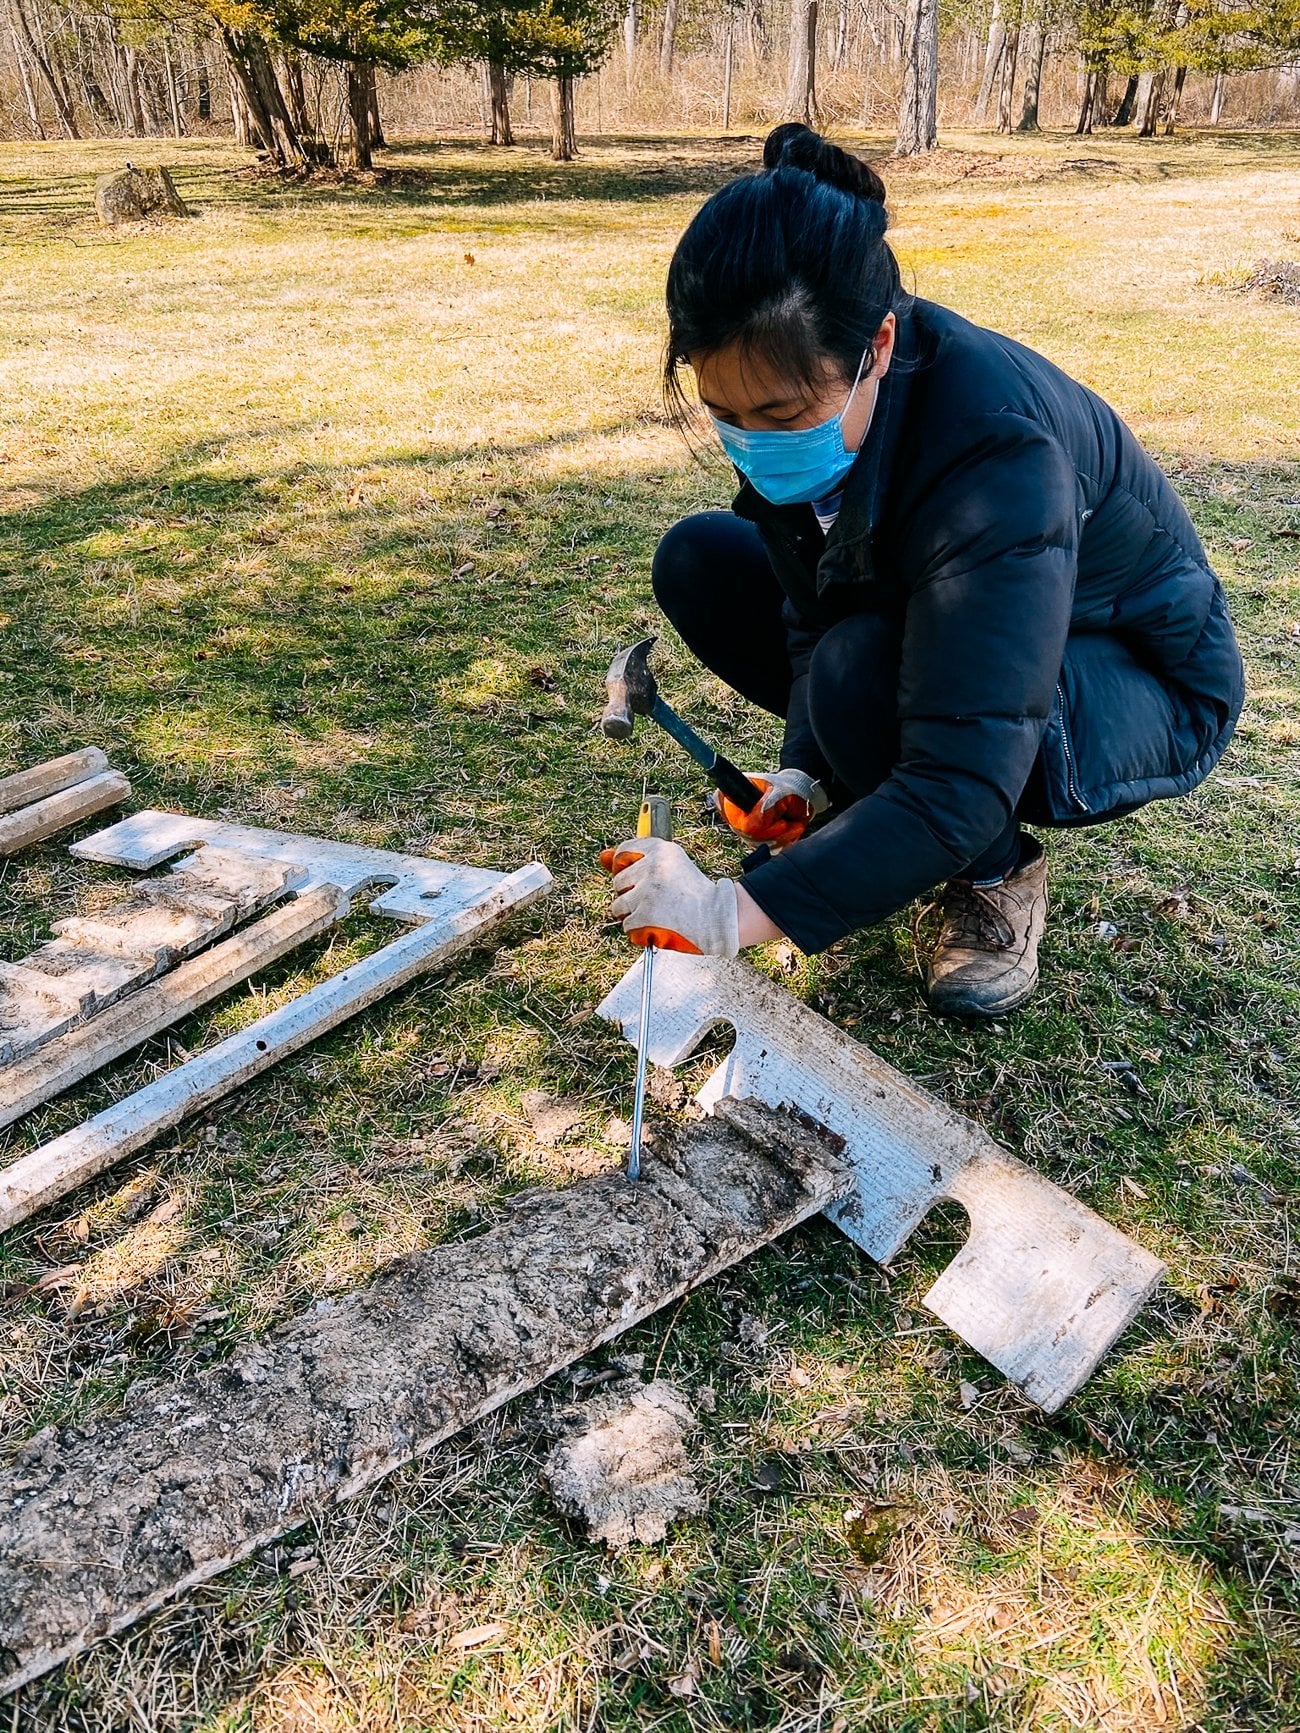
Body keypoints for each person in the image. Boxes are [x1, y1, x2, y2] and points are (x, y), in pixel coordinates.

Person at [609, 122, 1244, 1018]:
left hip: (1134, 679)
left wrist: (727, 912)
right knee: (701, 561)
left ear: (878, 346)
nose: (753, 443)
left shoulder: (995, 455)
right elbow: (813, 606)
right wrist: (802, 776)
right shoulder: (817, 403)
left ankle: (996, 877)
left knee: (859, 673)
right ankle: (862, 799)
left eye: (781, 417)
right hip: (962, 632)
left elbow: (960, 777)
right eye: (727, 414)